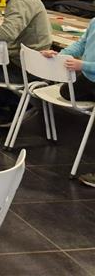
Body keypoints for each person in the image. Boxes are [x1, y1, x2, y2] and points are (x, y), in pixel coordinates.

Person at [41, 19, 95, 188]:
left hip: (87, 74)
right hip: (88, 78)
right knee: (65, 91)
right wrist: (60, 55)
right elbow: (81, 44)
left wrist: (83, 65)